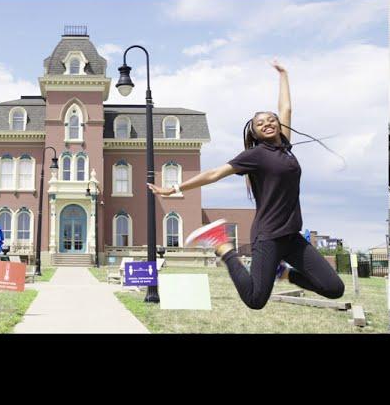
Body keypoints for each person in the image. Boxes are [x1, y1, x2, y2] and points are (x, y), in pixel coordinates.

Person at [148, 59, 345, 310]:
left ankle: (282, 273)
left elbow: (286, 109)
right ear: (254, 132)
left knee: (334, 288)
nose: (267, 123)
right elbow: (215, 173)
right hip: (268, 236)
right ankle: (223, 247)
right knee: (255, 300)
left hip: (291, 235)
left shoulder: (285, 146)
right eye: (260, 123)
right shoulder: (255, 155)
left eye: (270, 120)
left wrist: (284, 75)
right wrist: (174, 188)